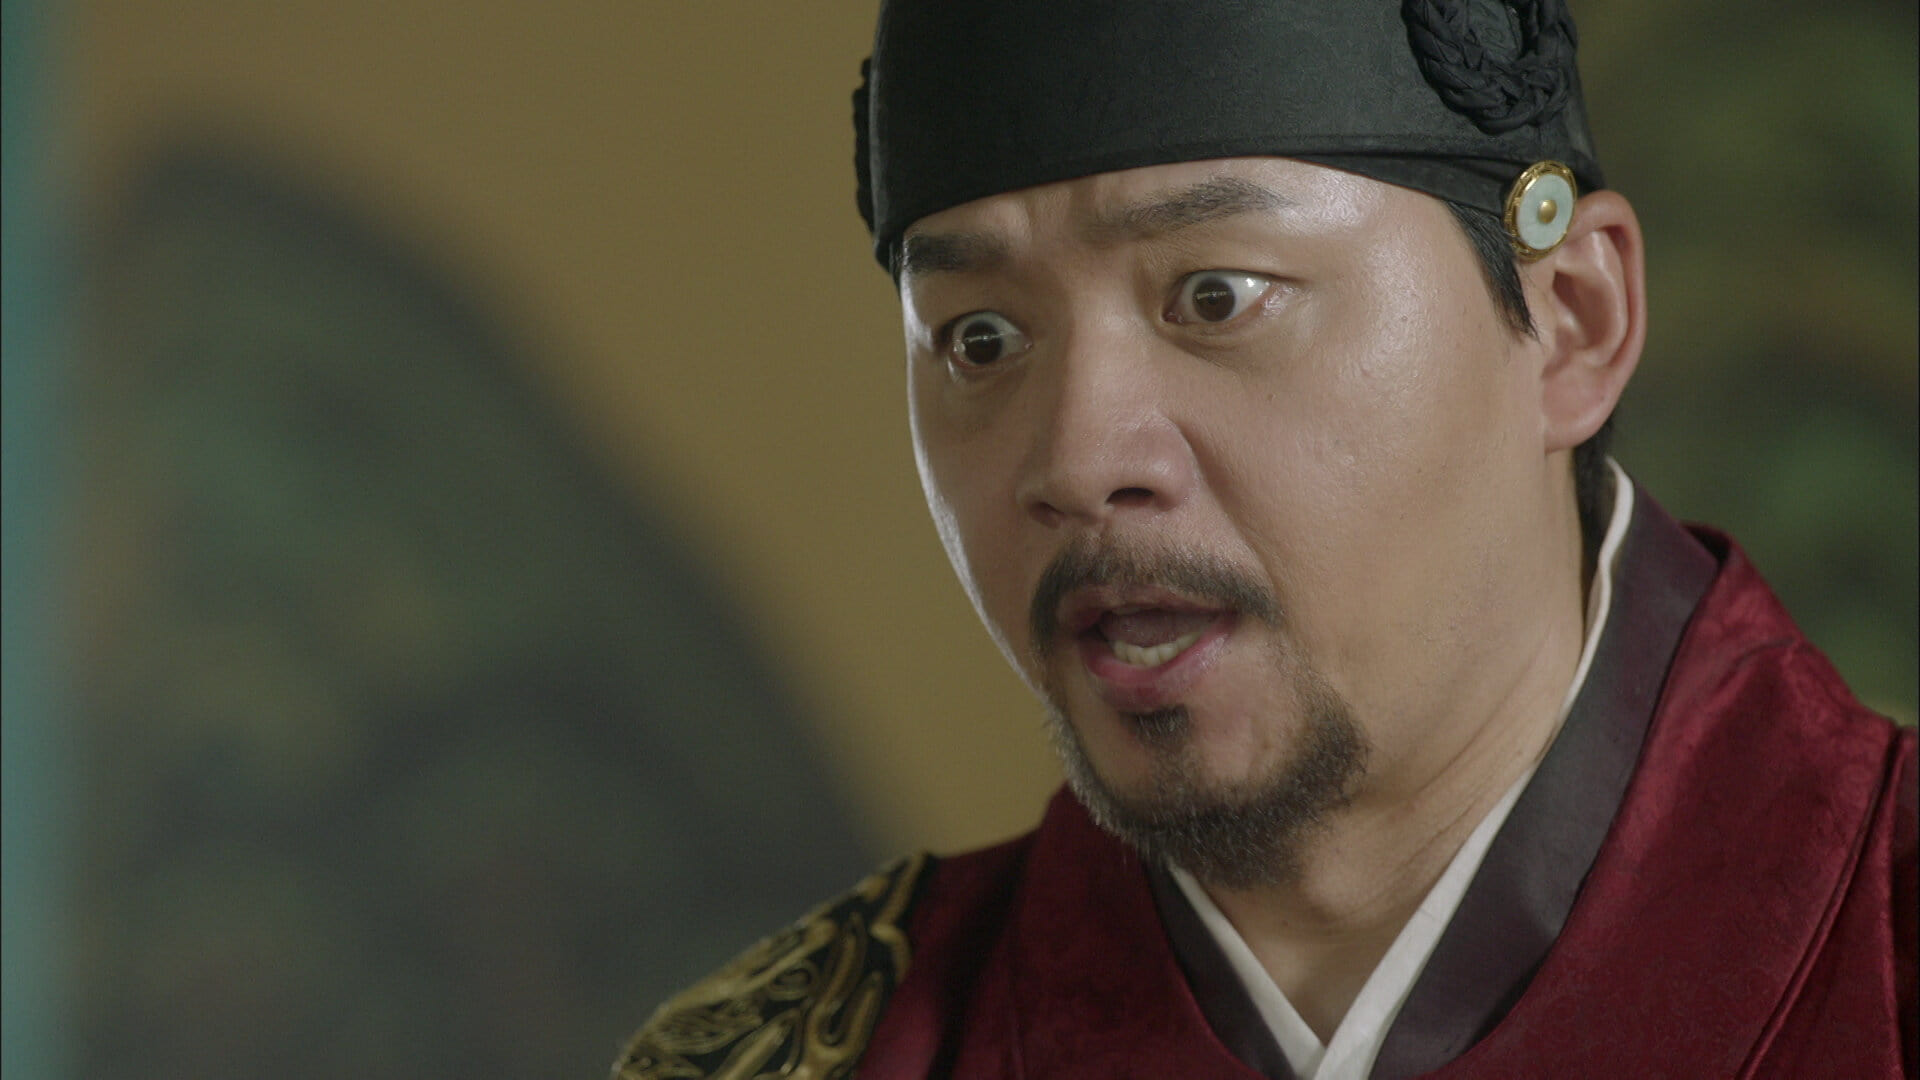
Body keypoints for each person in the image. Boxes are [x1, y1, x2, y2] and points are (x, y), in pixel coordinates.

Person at [613, 1, 1916, 1076]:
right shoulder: (825, 1052)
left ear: (1572, 319)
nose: (1077, 462)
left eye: (1216, 296)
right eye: (982, 339)